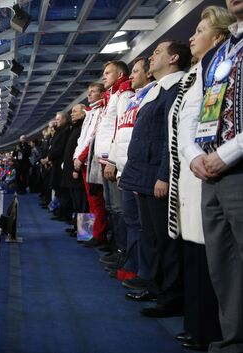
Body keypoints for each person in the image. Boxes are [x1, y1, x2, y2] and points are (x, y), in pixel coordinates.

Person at [168, 6, 234, 350]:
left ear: (219, 37)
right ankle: (204, 328)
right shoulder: (198, 72)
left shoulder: (217, 67)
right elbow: (187, 122)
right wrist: (194, 156)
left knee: (219, 260)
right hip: (197, 169)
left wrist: (212, 156)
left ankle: (208, 329)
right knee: (207, 259)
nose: (191, 38)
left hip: (218, 167)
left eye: (200, 31)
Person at [120, 39, 192, 318]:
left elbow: (168, 139)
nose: (151, 57)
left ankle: (171, 297)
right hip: (142, 176)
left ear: (174, 58)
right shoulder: (155, 91)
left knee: (166, 242)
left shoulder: (175, 89)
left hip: (156, 178)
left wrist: (163, 176)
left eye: (157, 52)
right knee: (151, 238)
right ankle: (156, 286)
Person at [193, 1, 243, 351]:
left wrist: (226, 154)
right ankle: (232, 341)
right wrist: (197, 154)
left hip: (236, 168)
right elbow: (201, 110)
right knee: (223, 267)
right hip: (211, 174)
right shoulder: (217, 54)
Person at [106, 57, 155, 289]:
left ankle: (143, 271)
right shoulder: (131, 99)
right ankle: (132, 266)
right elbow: (120, 134)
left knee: (141, 225)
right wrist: (118, 169)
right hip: (126, 170)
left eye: (136, 71)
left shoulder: (149, 96)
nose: (132, 76)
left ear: (149, 74)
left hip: (140, 171)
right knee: (130, 220)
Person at [97, 60, 134, 271]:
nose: (104, 76)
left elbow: (121, 130)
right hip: (105, 160)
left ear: (120, 75)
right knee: (112, 208)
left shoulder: (124, 94)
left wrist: (112, 160)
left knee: (120, 210)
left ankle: (123, 253)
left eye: (108, 72)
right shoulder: (112, 96)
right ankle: (117, 249)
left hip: (113, 160)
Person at [73, 83, 108, 246]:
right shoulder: (89, 115)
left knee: (95, 201)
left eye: (93, 92)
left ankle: (96, 234)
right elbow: (81, 141)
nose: (89, 95)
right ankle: (87, 232)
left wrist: (79, 157)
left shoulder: (99, 112)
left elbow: (92, 139)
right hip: (80, 163)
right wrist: (76, 157)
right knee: (87, 201)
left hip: (89, 162)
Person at [62, 104, 88, 234]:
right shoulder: (75, 128)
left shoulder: (84, 127)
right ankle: (78, 228)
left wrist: (76, 169)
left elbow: (81, 149)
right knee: (77, 203)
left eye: (74, 111)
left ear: (83, 113)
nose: (71, 114)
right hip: (71, 171)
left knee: (83, 203)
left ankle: (85, 233)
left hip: (77, 171)